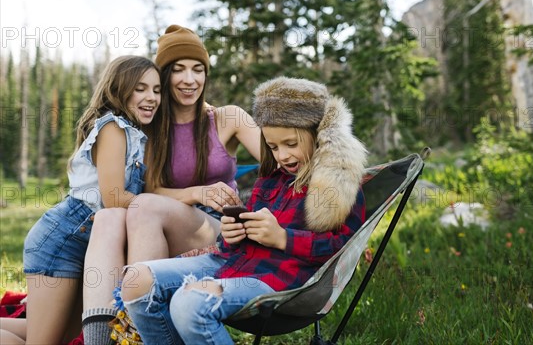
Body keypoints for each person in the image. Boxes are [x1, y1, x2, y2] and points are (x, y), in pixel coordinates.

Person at [120, 76, 368, 344]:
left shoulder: (336, 184)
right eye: (273, 147)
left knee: (190, 302)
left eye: (290, 144)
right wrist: (230, 234)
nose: (282, 156)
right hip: (231, 264)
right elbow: (228, 248)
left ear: (317, 133)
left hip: (279, 280)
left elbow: (343, 250)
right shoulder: (272, 179)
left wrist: (283, 238)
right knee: (136, 279)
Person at [80, 24, 261, 344]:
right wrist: (193, 193)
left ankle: (134, 333)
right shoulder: (147, 128)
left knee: (144, 207)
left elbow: (277, 160)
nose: (190, 80)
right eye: (178, 70)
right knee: (122, 212)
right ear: (163, 76)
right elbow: (142, 190)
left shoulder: (227, 118)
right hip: (157, 227)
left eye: (198, 69)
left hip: (221, 231)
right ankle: (108, 335)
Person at [0, 56, 162, 345]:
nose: (151, 97)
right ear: (119, 89)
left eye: (157, 90)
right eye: (140, 88)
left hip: (83, 248)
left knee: (62, 337)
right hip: (60, 244)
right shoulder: (113, 128)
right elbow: (113, 197)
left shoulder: (138, 135)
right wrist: (163, 205)